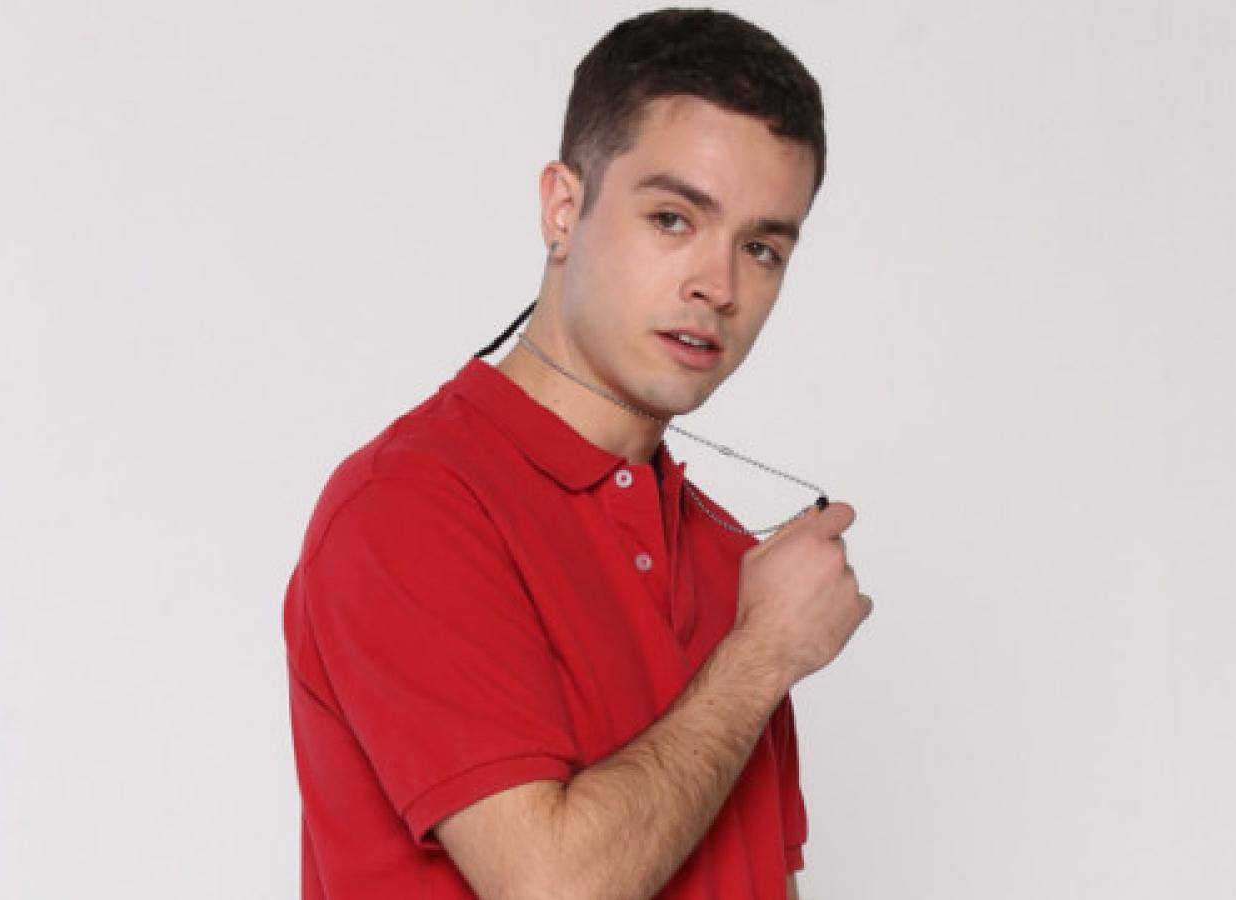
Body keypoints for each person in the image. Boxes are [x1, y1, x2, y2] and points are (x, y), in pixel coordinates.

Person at [282, 8, 871, 898]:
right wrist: (761, 658)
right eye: (672, 218)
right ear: (563, 208)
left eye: (761, 247)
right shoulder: (409, 508)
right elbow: (549, 887)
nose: (718, 285)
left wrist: (760, 645)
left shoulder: (737, 567)